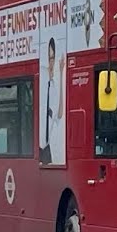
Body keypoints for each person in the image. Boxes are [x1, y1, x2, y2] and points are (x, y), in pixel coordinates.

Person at [39, 36, 65, 164]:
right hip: (39, 147)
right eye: (49, 58)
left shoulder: (53, 85)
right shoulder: (41, 82)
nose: (51, 62)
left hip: (47, 147)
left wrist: (60, 73)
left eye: (53, 58)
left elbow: (59, 113)